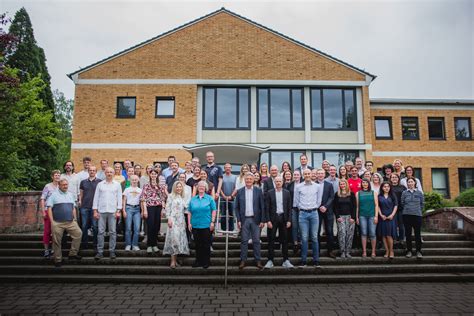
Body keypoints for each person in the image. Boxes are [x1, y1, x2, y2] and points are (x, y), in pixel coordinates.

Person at [46, 179, 82, 267]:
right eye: (63, 185)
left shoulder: (70, 195)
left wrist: (75, 219)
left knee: (78, 234)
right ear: (59, 185)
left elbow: (73, 207)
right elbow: (49, 208)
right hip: (57, 222)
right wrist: (52, 221)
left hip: (70, 221)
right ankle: (58, 259)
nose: (65, 186)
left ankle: (73, 254)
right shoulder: (53, 195)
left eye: (66, 184)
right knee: (56, 241)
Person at [234, 172, 266, 270]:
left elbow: (262, 206)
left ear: (253, 180)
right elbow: (236, 207)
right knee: (244, 241)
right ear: (244, 180)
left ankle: (258, 261)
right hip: (244, 220)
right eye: (247, 179)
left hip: (255, 220)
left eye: (250, 179)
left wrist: (262, 220)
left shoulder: (258, 190)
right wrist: (238, 220)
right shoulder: (239, 191)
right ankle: (243, 260)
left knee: (256, 241)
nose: (248, 180)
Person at [293, 169, 322, 267]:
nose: (307, 175)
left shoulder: (317, 186)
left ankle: (316, 261)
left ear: (311, 174)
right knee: (304, 238)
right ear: (303, 175)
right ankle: (304, 260)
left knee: (314, 237)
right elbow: (296, 202)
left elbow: (319, 201)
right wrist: (303, 208)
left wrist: (313, 207)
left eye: (308, 173)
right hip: (303, 214)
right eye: (305, 174)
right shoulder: (298, 187)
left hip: (314, 213)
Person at [93, 167, 122, 260]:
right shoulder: (100, 184)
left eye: (111, 172)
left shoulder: (117, 185)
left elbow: (119, 198)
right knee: (100, 232)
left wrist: (118, 210)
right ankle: (100, 252)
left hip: (113, 211)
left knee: (113, 232)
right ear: (105, 173)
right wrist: (95, 210)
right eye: (107, 172)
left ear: (113, 173)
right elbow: (96, 197)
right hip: (101, 211)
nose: (109, 173)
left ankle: (112, 251)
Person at [265, 176, 293, 269]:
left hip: (284, 218)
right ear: (274, 182)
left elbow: (289, 208)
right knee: (271, 240)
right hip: (273, 219)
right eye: (276, 181)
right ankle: (270, 260)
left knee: (285, 240)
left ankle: (285, 260)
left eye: (279, 181)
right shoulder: (269, 193)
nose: (278, 183)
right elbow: (267, 208)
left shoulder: (287, 193)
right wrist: (268, 220)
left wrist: (289, 220)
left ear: (282, 182)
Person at [188, 181, 217, 268]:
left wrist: (212, 222)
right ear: (197, 188)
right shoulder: (193, 199)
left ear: (205, 188)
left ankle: (206, 262)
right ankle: (198, 261)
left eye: (203, 186)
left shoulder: (210, 198)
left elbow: (214, 211)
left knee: (206, 244)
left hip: (206, 225)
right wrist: (189, 223)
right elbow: (189, 212)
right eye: (199, 186)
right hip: (195, 225)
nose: (201, 187)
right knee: (197, 245)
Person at [163, 181, 190, 268]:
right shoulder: (171, 196)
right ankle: (172, 262)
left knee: (178, 240)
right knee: (174, 240)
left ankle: (176, 260)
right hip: (173, 220)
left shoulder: (182, 197)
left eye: (180, 187)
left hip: (181, 221)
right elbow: (167, 208)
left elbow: (186, 208)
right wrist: (169, 219)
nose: (179, 188)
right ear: (174, 188)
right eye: (177, 187)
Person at [140, 169, 167, 254]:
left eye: (155, 174)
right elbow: (143, 198)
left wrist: (163, 209)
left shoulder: (160, 186)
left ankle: (155, 245)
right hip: (150, 207)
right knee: (150, 226)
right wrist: (144, 210)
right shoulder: (146, 185)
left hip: (158, 207)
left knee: (156, 226)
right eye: (152, 174)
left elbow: (163, 198)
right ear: (149, 175)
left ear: (157, 175)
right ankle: (149, 245)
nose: (153, 175)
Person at [78, 165, 101, 251]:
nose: (92, 172)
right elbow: (81, 193)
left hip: (95, 208)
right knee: (84, 226)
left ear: (96, 172)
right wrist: (80, 201)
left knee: (95, 226)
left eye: (93, 170)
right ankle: (85, 243)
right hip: (84, 207)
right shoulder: (83, 182)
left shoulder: (100, 182)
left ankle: (95, 244)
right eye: (90, 170)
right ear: (88, 171)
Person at [401, 177, 425, 259]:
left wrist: (417, 210)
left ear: (415, 183)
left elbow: (422, 204)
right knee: (408, 234)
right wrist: (408, 210)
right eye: (409, 182)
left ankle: (418, 251)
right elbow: (402, 203)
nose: (410, 183)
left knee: (417, 234)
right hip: (407, 215)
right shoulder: (404, 193)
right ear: (407, 184)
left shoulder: (419, 193)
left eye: (411, 182)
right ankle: (409, 251)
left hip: (417, 215)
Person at [40, 170, 61, 258]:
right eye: (55, 175)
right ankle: (46, 250)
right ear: (52, 177)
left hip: (58, 212)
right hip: (48, 211)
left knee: (55, 232)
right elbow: (42, 199)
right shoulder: (48, 186)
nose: (57, 177)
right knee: (47, 231)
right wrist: (43, 211)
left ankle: (53, 249)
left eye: (58, 175)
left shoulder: (61, 186)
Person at [356, 178, 379, 258]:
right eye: (363, 183)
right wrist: (357, 217)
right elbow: (357, 207)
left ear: (368, 184)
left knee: (372, 233)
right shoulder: (358, 193)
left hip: (372, 215)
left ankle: (373, 251)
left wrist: (376, 216)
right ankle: (364, 251)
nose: (364, 184)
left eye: (366, 183)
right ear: (361, 184)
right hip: (362, 216)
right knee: (364, 233)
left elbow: (376, 205)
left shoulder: (373, 193)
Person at [333, 179, 356, 258]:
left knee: (350, 235)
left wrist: (353, 217)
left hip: (350, 217)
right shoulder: (337, 194)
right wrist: (337, 217)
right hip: (341, 218)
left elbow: (354, 206)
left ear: (346, 185)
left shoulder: (351, 194)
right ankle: (342, 251)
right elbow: (335, 207)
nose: (342, 185)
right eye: (341, 184)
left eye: (344, 184)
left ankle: (348, 252)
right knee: (342, 234)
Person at [316, 169, 336, 258]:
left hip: (328, 211)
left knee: (329, 231)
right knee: (316, 231)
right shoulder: (313, 184)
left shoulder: (329, 185)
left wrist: (325, 206)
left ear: (324, 174)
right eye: (319, 173)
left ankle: (330, 251)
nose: (320, 175)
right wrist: (318, 206)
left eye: (322, 173)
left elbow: (332, 197)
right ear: (316, 175)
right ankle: (317, 251)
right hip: (317, 211)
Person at [378, 182, 398, 259]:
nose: (386, 188)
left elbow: (396, 206)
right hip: (382, 217)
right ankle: (387, 251)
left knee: (389, 235)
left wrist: (392, 215)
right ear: (382, 188)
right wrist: (381, 215)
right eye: (384, 186)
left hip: (390, 217)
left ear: (390, 188)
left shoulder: (393, 195)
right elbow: (378, 206)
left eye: (388, 186)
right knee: (383, 235)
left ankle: (391, 250)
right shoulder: (379, 196)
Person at [122, 175, 142, 251]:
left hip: (137, 209)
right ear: (130, 180)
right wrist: (123, 211)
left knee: (137, 228)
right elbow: (124, 200)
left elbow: (141, 202)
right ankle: (128, 244)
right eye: (133, 179)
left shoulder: (140, 190)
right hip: (128, 208)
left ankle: (135, 245)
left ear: (138, 180)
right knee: (128, 228)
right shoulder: (127, 189)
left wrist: (142, 211)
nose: (134, 181)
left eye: (136, 179)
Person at [390, 173, 407, 248]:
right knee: (393, 225)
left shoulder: (403, 187)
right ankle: (394, 239)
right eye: (392, 177)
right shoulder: (389, 187)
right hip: (391, 209)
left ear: (398, 178)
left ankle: (401, 239)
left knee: (401, 225)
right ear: (390, 179)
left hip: (401, 208)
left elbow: (406, 197)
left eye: (395, 177)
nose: (394, 178)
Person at [220, 163, 237, 231]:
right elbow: (219, 188)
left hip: (232, 199)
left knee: (232, 214)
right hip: (223, 199)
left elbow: (236, 187)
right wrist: (224, 196)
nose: (228, 168)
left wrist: (231, 196)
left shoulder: (235, 177)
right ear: (224, 168)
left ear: (231, 168)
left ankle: (231, 230)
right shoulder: (221, 176)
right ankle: (223, 230)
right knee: (223, 214)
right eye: (226, 167)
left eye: (229, 167)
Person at [289, 170, 301, 252]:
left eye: (297, 175)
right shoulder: (290, 185)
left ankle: (301, 242)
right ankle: (295, 243)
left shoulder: (304, 184)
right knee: (294, 226)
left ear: (300, 176)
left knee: (301, 226)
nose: (296, 176)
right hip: (293, 208)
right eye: (295, 175)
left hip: (301, 208)